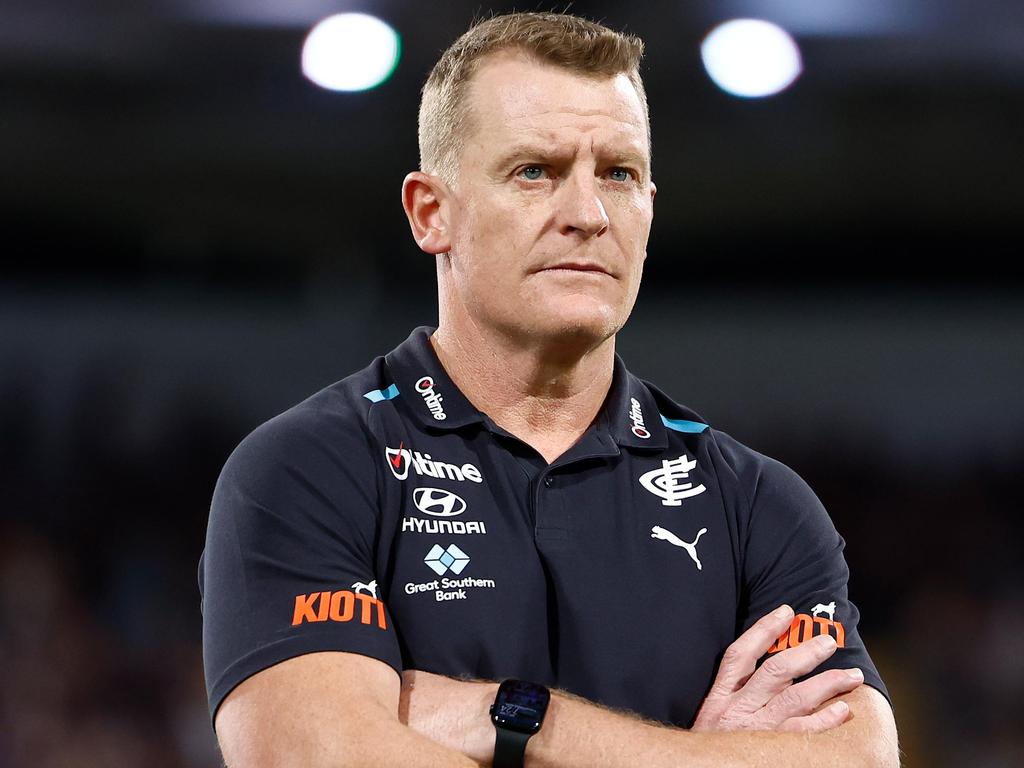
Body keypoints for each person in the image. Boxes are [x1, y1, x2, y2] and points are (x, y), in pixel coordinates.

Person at [200, 11, 899, 767]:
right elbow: (319, 756)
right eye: (536, 171)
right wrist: (706, 758)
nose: (589, 215)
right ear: (431, 213)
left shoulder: (759, 505)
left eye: (619, 174)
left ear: (650, 209)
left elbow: (859, 758)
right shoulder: (307, 470)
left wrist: (511, 718)